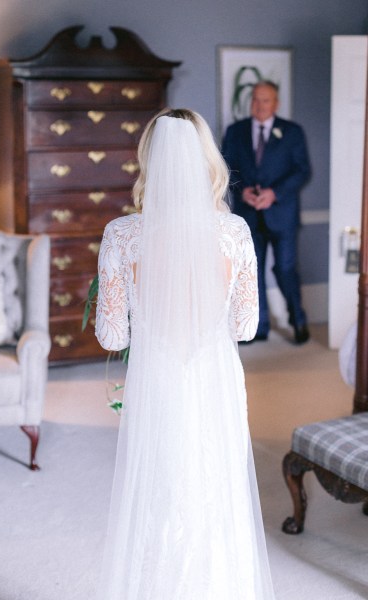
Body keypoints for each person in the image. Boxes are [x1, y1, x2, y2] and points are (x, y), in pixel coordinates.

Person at [95, 108, 276, 599]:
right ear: (206, 161)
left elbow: (111, 336)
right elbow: (245, 327)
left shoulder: (122, 236)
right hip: (213, 380)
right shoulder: (235, 233)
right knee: (216, 495)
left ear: (149, 160)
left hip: (157, 384)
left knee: (159, 494)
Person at [222, 81, 311, 344]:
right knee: (252, 270)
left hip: (282, 215)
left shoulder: (292, 132)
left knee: (285, 269)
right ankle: (258, 327)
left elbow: (302, 170)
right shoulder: (235, 131)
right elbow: (226, 167)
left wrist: (275, 193)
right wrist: (242, 191)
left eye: (265, 100)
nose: (259, 106)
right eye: (255, 100)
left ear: (276, 103)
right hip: (248, 215)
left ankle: (298, 321)